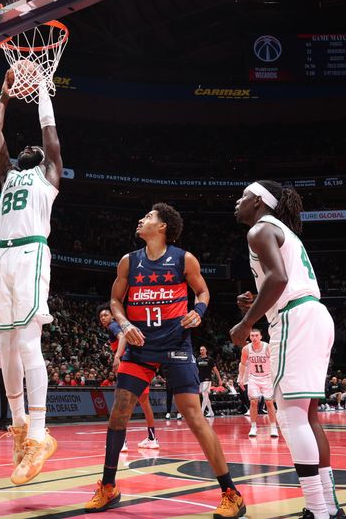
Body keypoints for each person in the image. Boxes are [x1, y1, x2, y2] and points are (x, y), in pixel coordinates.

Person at [86, 203, 246, 517]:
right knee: (118, 415)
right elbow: (116, 300)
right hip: (140, 347)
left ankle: (231, 493)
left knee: (194, 418)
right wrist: (126, 325)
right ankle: (108, 486)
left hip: (175, 346)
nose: (141, 219)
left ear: (162, 227)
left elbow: (203, 292)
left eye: (148, 217)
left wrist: (198, 312)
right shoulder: (128, 262)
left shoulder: (184, 259)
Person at [230, 180, 343, 519]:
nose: (238, 202)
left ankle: (317, 511)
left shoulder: (260, 230)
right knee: (308, 416)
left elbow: (278, 279)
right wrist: (257, 304)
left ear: (258, 202)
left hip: (296, 318)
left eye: (244, 196)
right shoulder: (284, 231)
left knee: (292, 417)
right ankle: (330, 509)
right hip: (314, 314)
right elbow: (281, 280)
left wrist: (247, 322)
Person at [0, 69, 62, 485]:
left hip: (32, 252)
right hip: (2, 257)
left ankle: (39, 433)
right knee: (7, 347)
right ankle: (19, 427)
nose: (31, 147)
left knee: (29, 341)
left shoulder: (47, 176)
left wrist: (42, 92)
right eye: (25, 148)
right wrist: (5, 93)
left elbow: (50, 135)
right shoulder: (7, 175)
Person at [97, 303, 158, 451]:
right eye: (101, 317)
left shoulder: (113, 326)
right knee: (144, 404)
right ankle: (152, 438)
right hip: (140, 365)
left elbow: (122, 335)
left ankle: (121, 441)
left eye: (105, 315)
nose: (103, 318)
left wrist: (117, 356)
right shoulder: (117, 325)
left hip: (128, 366)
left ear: (112, 315)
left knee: (122, 403)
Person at [237, 329, 278, 438]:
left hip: (267, 377)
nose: (254, 337)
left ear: (260, 336)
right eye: (252, 335)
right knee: (253, 402)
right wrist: (241, 378)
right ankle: (253, 427)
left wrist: (276, 377)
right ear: (250, 337)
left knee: (269, 403)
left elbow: (275, 362)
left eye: (256, 335)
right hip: (253, 377)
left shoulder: (267, 347)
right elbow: (243, 364)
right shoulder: (246, 349)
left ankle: (273, 427)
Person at [197, 346, 222, 417]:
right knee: (205, 396)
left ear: (206, 351)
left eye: (203, 349)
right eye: (200, 350)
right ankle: (211, 412)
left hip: (207, 379)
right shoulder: (198, 359)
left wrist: (219, 379)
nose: (202, 351)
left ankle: (201, 412)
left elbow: (216, 370)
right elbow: (196, 370)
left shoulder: (210, 359)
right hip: (200, 379)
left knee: (205, 394)